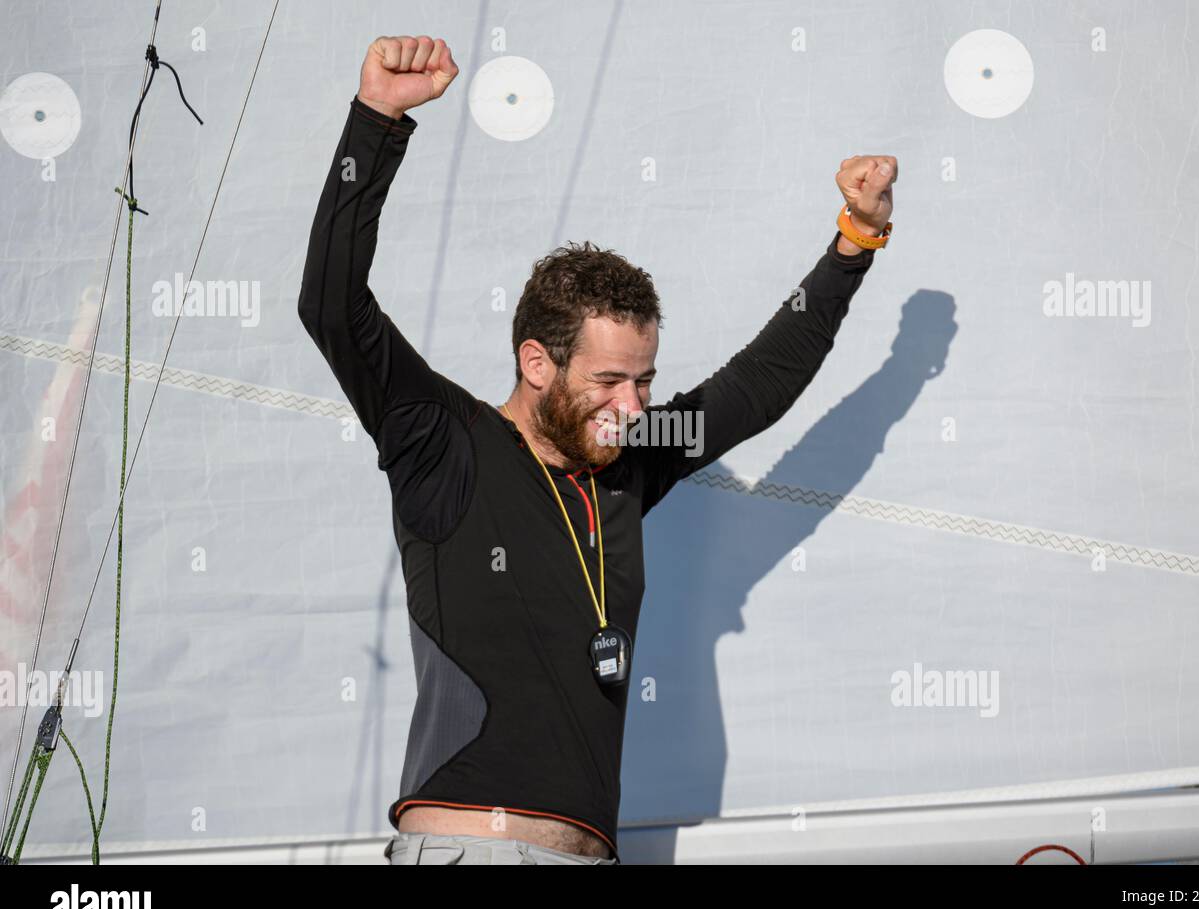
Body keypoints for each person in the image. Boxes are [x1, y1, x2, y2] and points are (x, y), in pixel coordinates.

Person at [297, 34, 896, 865]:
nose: (632, 406)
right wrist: (377, 122)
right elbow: (331, 304)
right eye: (611, 381)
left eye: (646, 381)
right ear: (535, 363)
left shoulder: (630, 462)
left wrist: (852, 245)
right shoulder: (444, 444)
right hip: (472, 850)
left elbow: (759, 384)